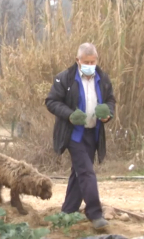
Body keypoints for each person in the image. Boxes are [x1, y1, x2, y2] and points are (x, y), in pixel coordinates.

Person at [45, 42, 116, 230]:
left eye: (93, 62)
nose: (90, 65)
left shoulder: (103, 78)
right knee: (86, 171)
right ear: (78, 60)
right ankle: (95, 213)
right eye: (86, 61)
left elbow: (110, 100)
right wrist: (69, 114)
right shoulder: (65, 79)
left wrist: (108, 112)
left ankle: (67, 212)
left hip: (93, 133)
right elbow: (51, 101)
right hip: (73, 134)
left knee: (78, 173)